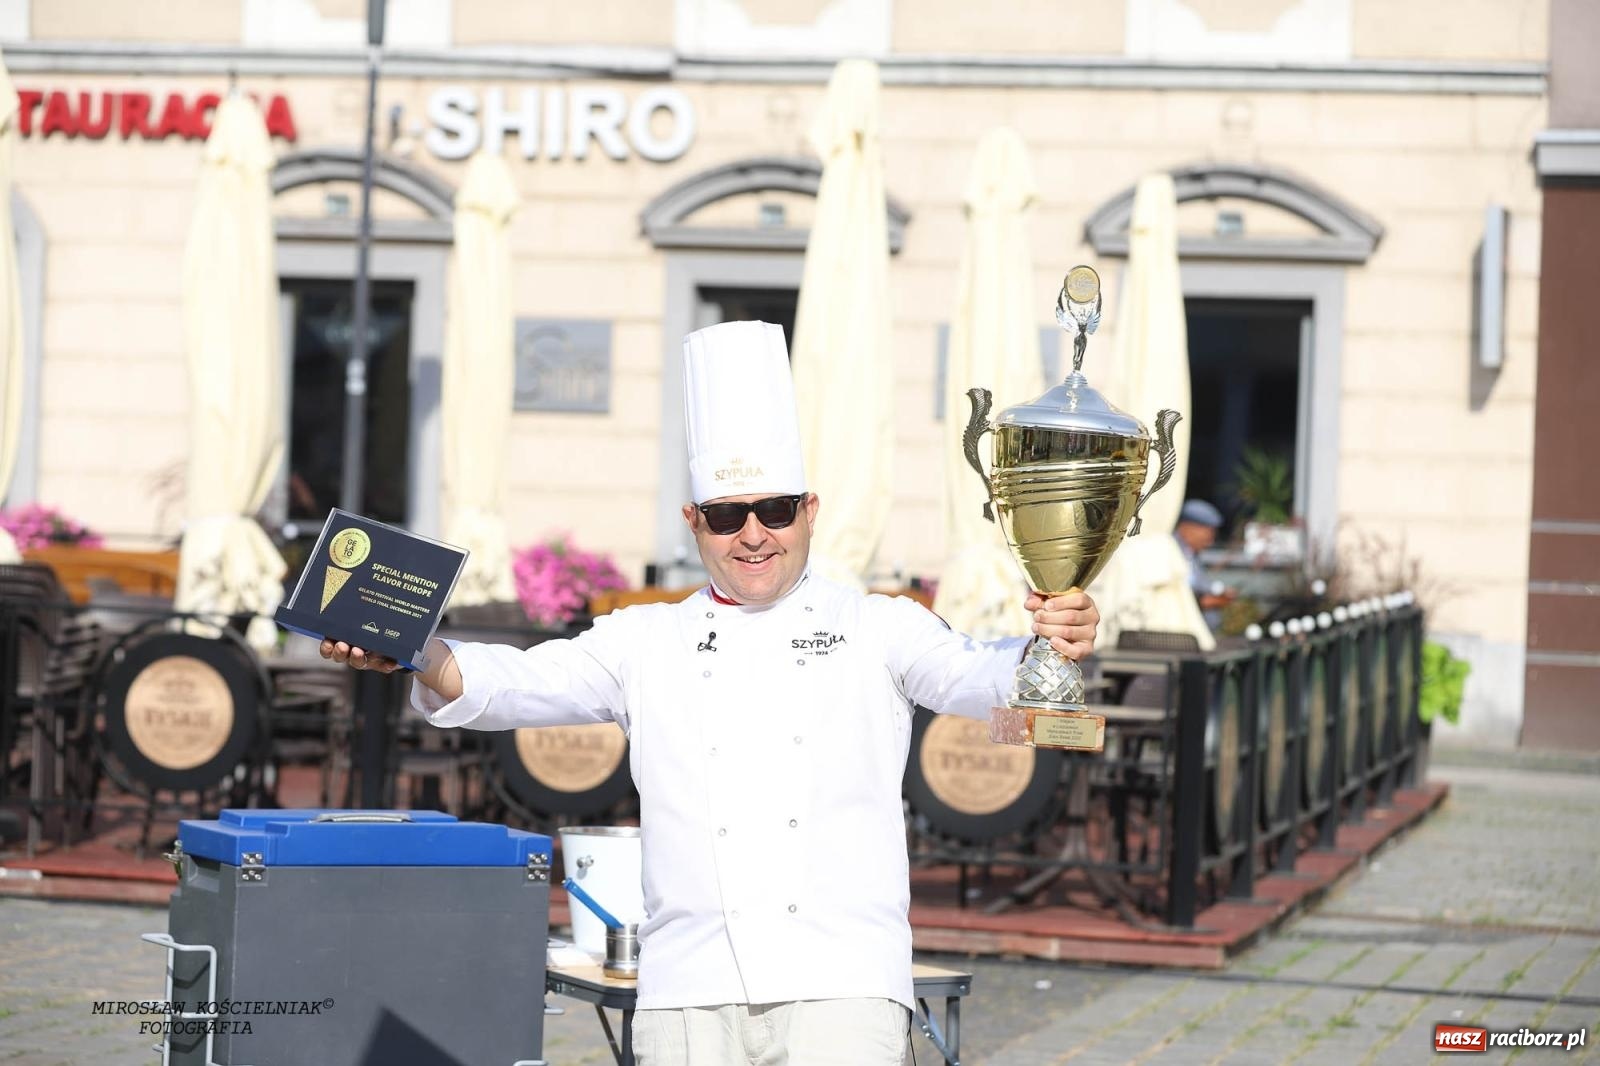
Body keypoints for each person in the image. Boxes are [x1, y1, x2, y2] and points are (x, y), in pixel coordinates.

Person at [322, 321, 1099, 1065]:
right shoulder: (643, 638)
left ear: (811, 511)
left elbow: (981, 682)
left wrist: (1049, 646)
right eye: (728, 515)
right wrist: (412, 648)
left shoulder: (878, 627)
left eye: (777, 509)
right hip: (687, 992)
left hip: (846, 989)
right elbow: (516, 684)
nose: (754, 533)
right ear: (694, 521)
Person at [1175, 498, 1233, 627]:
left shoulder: (1191, 555)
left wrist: (1220, 593)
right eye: (1208, 533)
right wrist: (1210, 601)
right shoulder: (1171, 551)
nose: (1210, 541)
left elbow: (1201, 585)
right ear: (1188, 528)